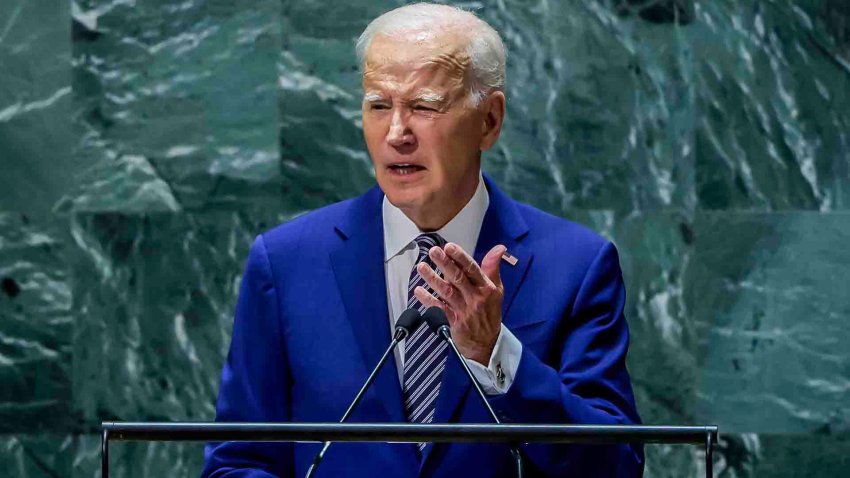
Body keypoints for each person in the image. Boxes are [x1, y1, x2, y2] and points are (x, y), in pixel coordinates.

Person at [201, 3, 643, 477]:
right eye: (378, 106)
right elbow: (238, 462)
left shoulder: (575, 266)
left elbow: (615, 465)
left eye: (424, 107)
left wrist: (496, 355)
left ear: (489, 121)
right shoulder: (287, 263)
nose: (396, 134)